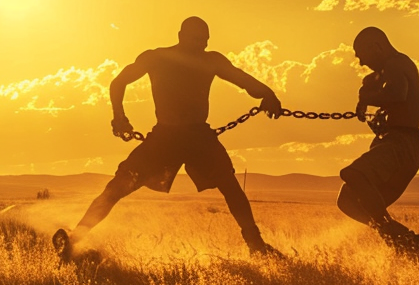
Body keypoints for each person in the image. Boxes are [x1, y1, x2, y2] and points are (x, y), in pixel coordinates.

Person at [53, 17, 285, 262]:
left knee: (231, 186)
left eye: (205, 40)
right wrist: (118, 116)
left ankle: (256, 245)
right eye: (196, 39)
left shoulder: (211, 60)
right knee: (118, 186)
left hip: (198, 137)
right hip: (164, 137)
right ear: (180, 35)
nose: (201, 44)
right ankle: (75, 240)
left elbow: (243, 80)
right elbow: (119, 81)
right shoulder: (156, 58)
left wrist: (267, 94)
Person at [337, 26, 419, 254]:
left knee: (352, 174)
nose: (360, 63)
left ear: (376, 47)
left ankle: (397, 236)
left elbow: (398, 94)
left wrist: (367, 97)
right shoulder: (391, 68)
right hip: (396, 145)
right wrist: (368, 89)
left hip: (401, 144)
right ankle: (403, 241)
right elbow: (375, 79)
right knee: (347, 201)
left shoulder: (397, 63)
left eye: (362, 55)